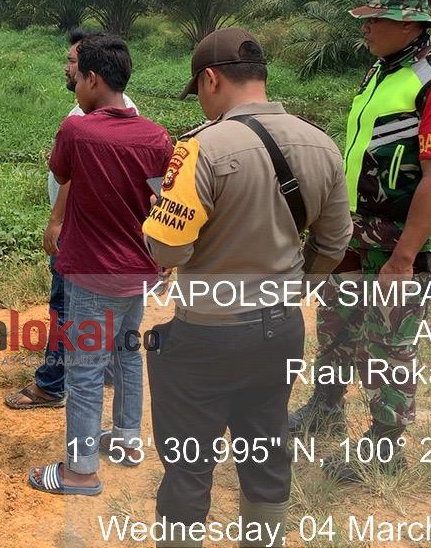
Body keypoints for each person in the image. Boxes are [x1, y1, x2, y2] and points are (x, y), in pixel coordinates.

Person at [142, 28, 352, 547]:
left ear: (211, 78)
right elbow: (335, 241)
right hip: (280, 331)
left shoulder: (200, 149)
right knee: (265, 448)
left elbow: (168, 251)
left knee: (190, 463)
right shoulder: (321, 143)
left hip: (207, 336)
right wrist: (294, 290)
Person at [289, 0, 431, 483]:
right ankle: (325, 408)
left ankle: (385, 446)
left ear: (410, 24)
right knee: (337, 325)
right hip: (353, 227)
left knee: (388, 343)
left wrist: (404, 257)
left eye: (377, 18)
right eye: (366, 17)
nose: (366, 26)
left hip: (397, 237)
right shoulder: (381, 70)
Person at [26, 34, 172, 496]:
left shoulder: (78, 131)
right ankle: (128, 441)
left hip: (92, 273)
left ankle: (80, 471)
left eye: (78, 78)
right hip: (139, 270)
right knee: (128, 354)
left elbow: (62, 174)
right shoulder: (156, 135)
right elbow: (162, 199)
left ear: (91, 79)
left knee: (85, 371)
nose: (76, 89)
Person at [5, 29, 137, 410]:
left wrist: (57, 220)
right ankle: (100, 369)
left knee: (64, 306)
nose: (68, 69)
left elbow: (74, 175)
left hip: (79, 232)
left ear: (92, 73)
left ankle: (52, 383)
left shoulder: (85, 116)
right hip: (106, 235)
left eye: (73, 63)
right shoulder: (121, 109)